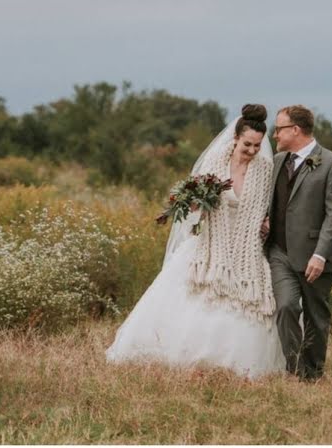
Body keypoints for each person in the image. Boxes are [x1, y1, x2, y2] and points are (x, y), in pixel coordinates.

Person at [106, 104, 286, 378]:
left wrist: (266, 220)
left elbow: (270, 205)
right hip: (210, 247)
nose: (252, 151)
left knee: (250, 305)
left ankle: (237, 365)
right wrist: (193, 206)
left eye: (257, 146)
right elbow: (195, 211)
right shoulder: (214, 164)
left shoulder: (264, 169)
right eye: (247, 144)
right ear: (235, 138)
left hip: (246, 249)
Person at [262, 105, 332, 380]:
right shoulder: (277, 161)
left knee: (316, 317)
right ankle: (293, 369)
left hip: (315, 256)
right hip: (280, 253)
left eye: (279, 129)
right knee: (286, 306)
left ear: (295, 130)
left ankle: (312, 375)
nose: (275, 135)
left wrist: (321, 255)